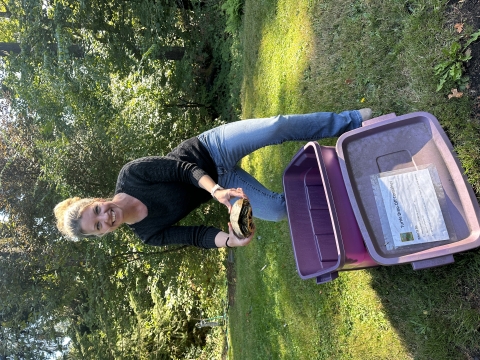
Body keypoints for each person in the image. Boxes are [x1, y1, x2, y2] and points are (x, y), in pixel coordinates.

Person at [54, 109, 372, 249]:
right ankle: (334, 176)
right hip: (222, 184)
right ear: (100, 235)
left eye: (95, 211)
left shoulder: (131, 176)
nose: (104, 217)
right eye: (97, 226)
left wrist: (217, 190)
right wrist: (230, 239)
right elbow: (196, 236)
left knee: (275, 127)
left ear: (94, 201)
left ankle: (350, 120)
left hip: (210, 149)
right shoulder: (149, 235)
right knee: (277, 210)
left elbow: (182, 169)